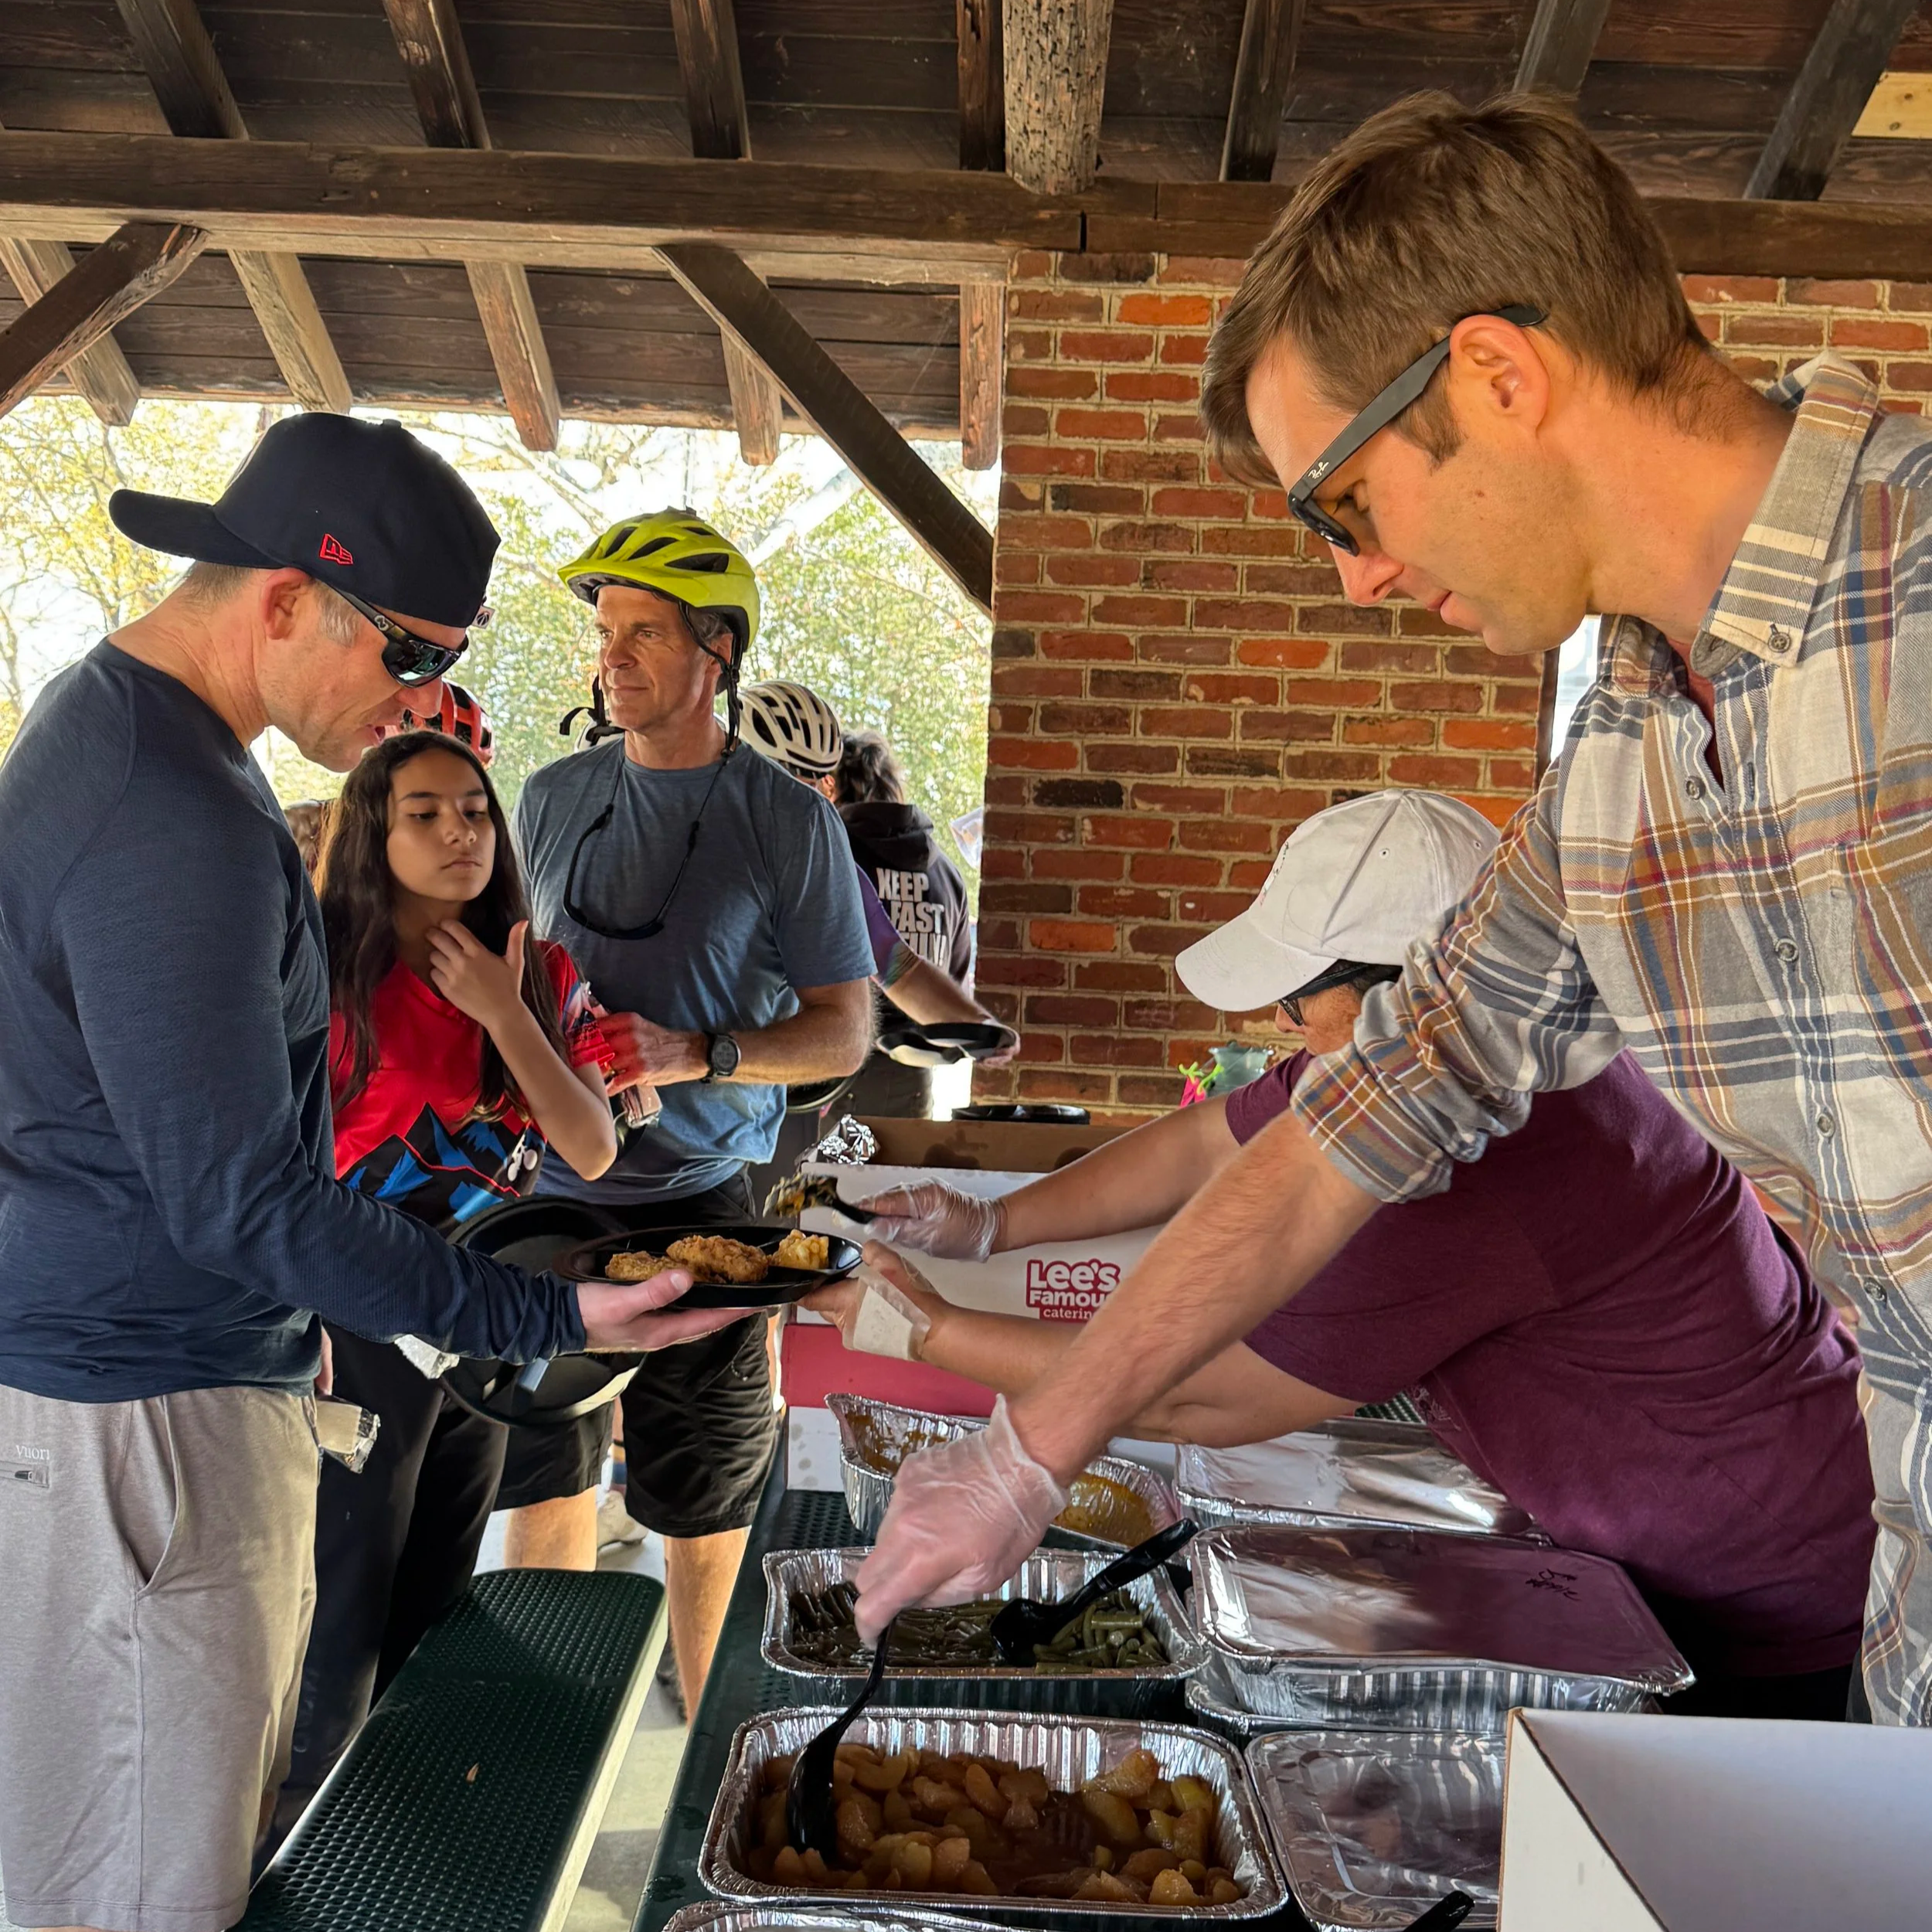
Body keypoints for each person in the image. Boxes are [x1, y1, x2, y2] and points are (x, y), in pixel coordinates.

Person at [849, 90, 1932, 1730]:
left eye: (1339, 506)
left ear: (1496, 378)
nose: (1350, 577)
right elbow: (1343, 1119)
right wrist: (1020, 1450)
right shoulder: (1613, 758)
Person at [0, 417, 756, 1932]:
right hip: (136, 1418)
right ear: (283, 596)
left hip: (131, 1389)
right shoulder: (174, 815)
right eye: (405, 653)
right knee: (141, 1885)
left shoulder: (128, 734)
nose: (423, 703)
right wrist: (546, 1316)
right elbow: (240, 1201)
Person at [822, 792, 1874, 1717]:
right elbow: (1206, 1139)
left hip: (1768, 1597)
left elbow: (1200, 1399)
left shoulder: (1483, 1156)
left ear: (1416, 989)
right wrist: (994, 1224)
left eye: (1300, 996)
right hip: (1678, 1538)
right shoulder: (1446, 1048)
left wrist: (931, 1332)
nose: (1280, 1023)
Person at [500, 511, 875, 1713]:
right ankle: (537, 1740)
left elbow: (845, 1030)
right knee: (540, 1481)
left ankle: (713, 1735)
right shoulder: (552, 796)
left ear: (718, 649)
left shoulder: (790, 820)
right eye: (605, 632)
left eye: (644, 632)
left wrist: (696, 1052)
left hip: (702, 1211)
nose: (612, 657)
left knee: (702, 1502)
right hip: (545, 1197)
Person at [271, 724, 617, 1838]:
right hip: (359, 1316)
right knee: (343, 1604)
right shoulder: (327, 967)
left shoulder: (537, 966)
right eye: (422, 812)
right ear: (374, 829)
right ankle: (309, 1848)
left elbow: (594, 1147)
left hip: (484, 1320)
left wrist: (504, 1012)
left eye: (473, 809)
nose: (457, 830)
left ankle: (405, 1841)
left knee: (439, 1587)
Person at [739, 679, 1012, 1056]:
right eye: (794, 788)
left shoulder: (822, 861)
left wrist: (978, 1026)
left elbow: (896, 964)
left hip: (765, 1089)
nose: (812, 807)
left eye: (817, 789)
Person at [836, 727, 977, 1117]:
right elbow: (956, 987)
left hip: (835, 1077)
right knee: (901, 1179)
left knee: (821, 1181)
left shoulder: (831, 861)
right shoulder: (946, 874)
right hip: (915, 1084)